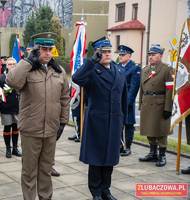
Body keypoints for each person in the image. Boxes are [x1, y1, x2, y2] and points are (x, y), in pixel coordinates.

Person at [6, 32, 70, 200]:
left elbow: (64, 98)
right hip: (31, 129)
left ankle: (45, 197)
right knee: (29, 170)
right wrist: (27, 61)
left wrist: (63, 121)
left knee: (46, 168)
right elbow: (12, 82)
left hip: (51, 129)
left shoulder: (59, 71)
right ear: (36, 49)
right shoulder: (27, 69)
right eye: (43, 49)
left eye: (50, 49)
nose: (47, 53)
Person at [72, 36, 127, 200]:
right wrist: (90, 62)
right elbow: (76, 78)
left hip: (115, 121)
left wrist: (122, 120)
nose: (108, 54)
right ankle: (96, 191)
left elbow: (123, 98)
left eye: (109, 51)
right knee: (96, 159)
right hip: (97, 122)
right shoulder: (92, 71)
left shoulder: (119, 70)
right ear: (97, 54)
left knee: (110, 158)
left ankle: (106, 190)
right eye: (104, 52)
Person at [138, 44, 174, 167]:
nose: (150, 57)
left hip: (160, 104)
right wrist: (141, 104)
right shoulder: (145, 70)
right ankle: (152, 153)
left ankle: (162, 155)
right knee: (149, 128)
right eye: (149, 55)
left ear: (160, 56)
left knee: (161, 131)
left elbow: (170, 90)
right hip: (147, 103)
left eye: (153, 55)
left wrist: (168, 108)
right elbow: (142, 88)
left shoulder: (167, 69)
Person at [118, 45, 141, 156]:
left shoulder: (134, 68)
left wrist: (128, 102)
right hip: (117, 99)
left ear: (129, 56)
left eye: (123, 55)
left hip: (127, 100)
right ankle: (120, 145)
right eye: (120, 55)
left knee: (128, 124)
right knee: (118, 123)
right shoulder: (116, 66)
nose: (120, 57)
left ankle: (128, 147)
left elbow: (134, 87)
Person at [0, 57, 22, 158]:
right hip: (6, 107)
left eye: (14, 64)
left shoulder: (20, 77)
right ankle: (8, 148)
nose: (12, 66)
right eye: (10, 64)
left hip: (17, 107)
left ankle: (15, 148)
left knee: (16, 128)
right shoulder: (1, 78)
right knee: (7, 128)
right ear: (6, 65)